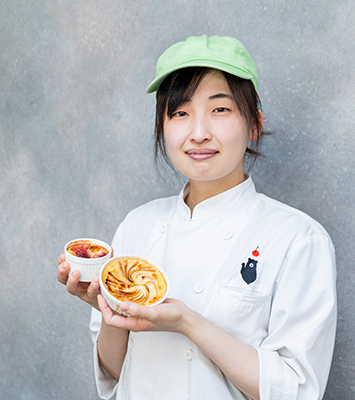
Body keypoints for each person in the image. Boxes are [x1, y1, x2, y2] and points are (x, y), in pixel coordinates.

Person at [57, 34, 336, 400]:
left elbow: (296, 389)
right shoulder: (137, 224)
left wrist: (188, 323)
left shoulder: (298, 239)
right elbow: (115, 372)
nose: (199, 133)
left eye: (220, 110)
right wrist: (109, 309)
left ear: (254, 124)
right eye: (180, 113)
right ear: (162, 126)